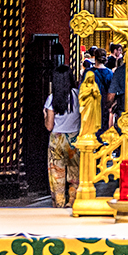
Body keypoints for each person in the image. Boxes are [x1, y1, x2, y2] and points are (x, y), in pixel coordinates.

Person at [43, 64, 79, 206]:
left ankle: (59, 204)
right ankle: (73, 202)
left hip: (57, 140)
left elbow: (49, 126)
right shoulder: (78, 95)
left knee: (57, 176)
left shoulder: (52, 99)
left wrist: (46, 114)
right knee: (74, 175)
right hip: (74, 139)